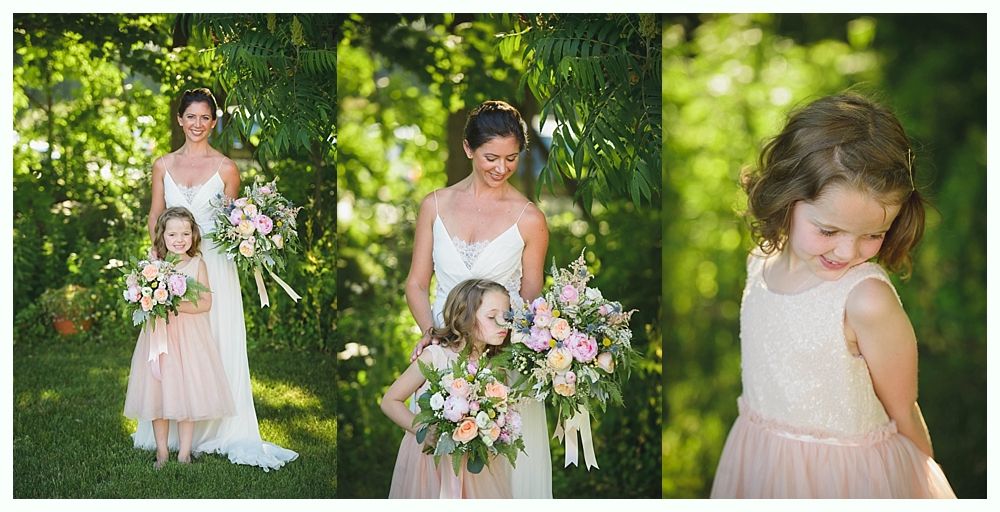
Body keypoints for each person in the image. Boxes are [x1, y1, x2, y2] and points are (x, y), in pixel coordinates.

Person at [710, 94, 956, 498]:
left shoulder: (865, 301)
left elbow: (903, 410)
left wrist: (926, 488)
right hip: (762, 467)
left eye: (873, 235)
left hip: (848, 482)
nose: (847, 252)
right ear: (786, 199)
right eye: (828, 231)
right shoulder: (759, 264)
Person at [136, 88, 297, 470]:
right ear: (180, 119)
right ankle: (170, 427)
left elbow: (231, 222)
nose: (197, 124)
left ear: (214, 121)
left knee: (216, 340)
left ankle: (217, 428)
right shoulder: (162, 164)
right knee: (174, 345)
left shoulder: (227, 168)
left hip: (215, 268)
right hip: (173, 263)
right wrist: (156, 260)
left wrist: (250, 234)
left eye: (205, 118)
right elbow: (154, 216)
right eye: (190, 117)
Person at [405, 100, 551, 498]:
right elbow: (416, 284)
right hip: (444, 355)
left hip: (501, 365)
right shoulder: (433, 205)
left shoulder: (530, 219)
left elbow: (528, 303)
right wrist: (434, 336)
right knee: (442, 469)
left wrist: (502, 350)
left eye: (511, 158)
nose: (501, 168)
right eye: (491, 157)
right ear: (468, 149)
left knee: (500, 473)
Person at [124, 207, 235, 469]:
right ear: (162, 236)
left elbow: (206, 302)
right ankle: (162, 452)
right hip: (159, 338)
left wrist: (173, 303)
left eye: (185, 233)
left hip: (191, 339)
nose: (179, 239)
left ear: (194, 235)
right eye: (172, 233)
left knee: (190, 392)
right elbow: (139, 293)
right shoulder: (153, 266)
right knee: (156, 392)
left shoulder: (198, 264)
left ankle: (185, 452)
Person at [383, 279, 515, 498]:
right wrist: (423, 432)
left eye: (507, 315)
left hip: (474, 467)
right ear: (465, 317)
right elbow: (389, 401)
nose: (503, 323)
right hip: (430, 461)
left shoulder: (495, 366)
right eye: (492, 317)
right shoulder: (435, 357)